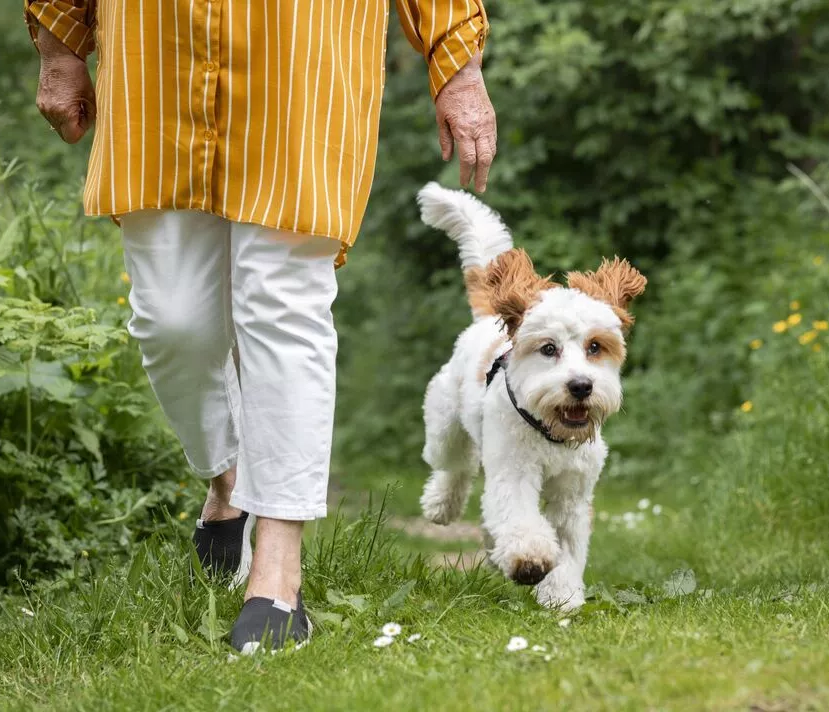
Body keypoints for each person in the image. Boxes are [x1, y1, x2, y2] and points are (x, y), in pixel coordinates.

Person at [25, 0, 497, 652]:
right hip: (157, 58)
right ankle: (230, 480)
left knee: (284, 302)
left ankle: (277, 578)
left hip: (304, 54)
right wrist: (59, 48)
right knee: (171, 320)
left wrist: (458, 65)